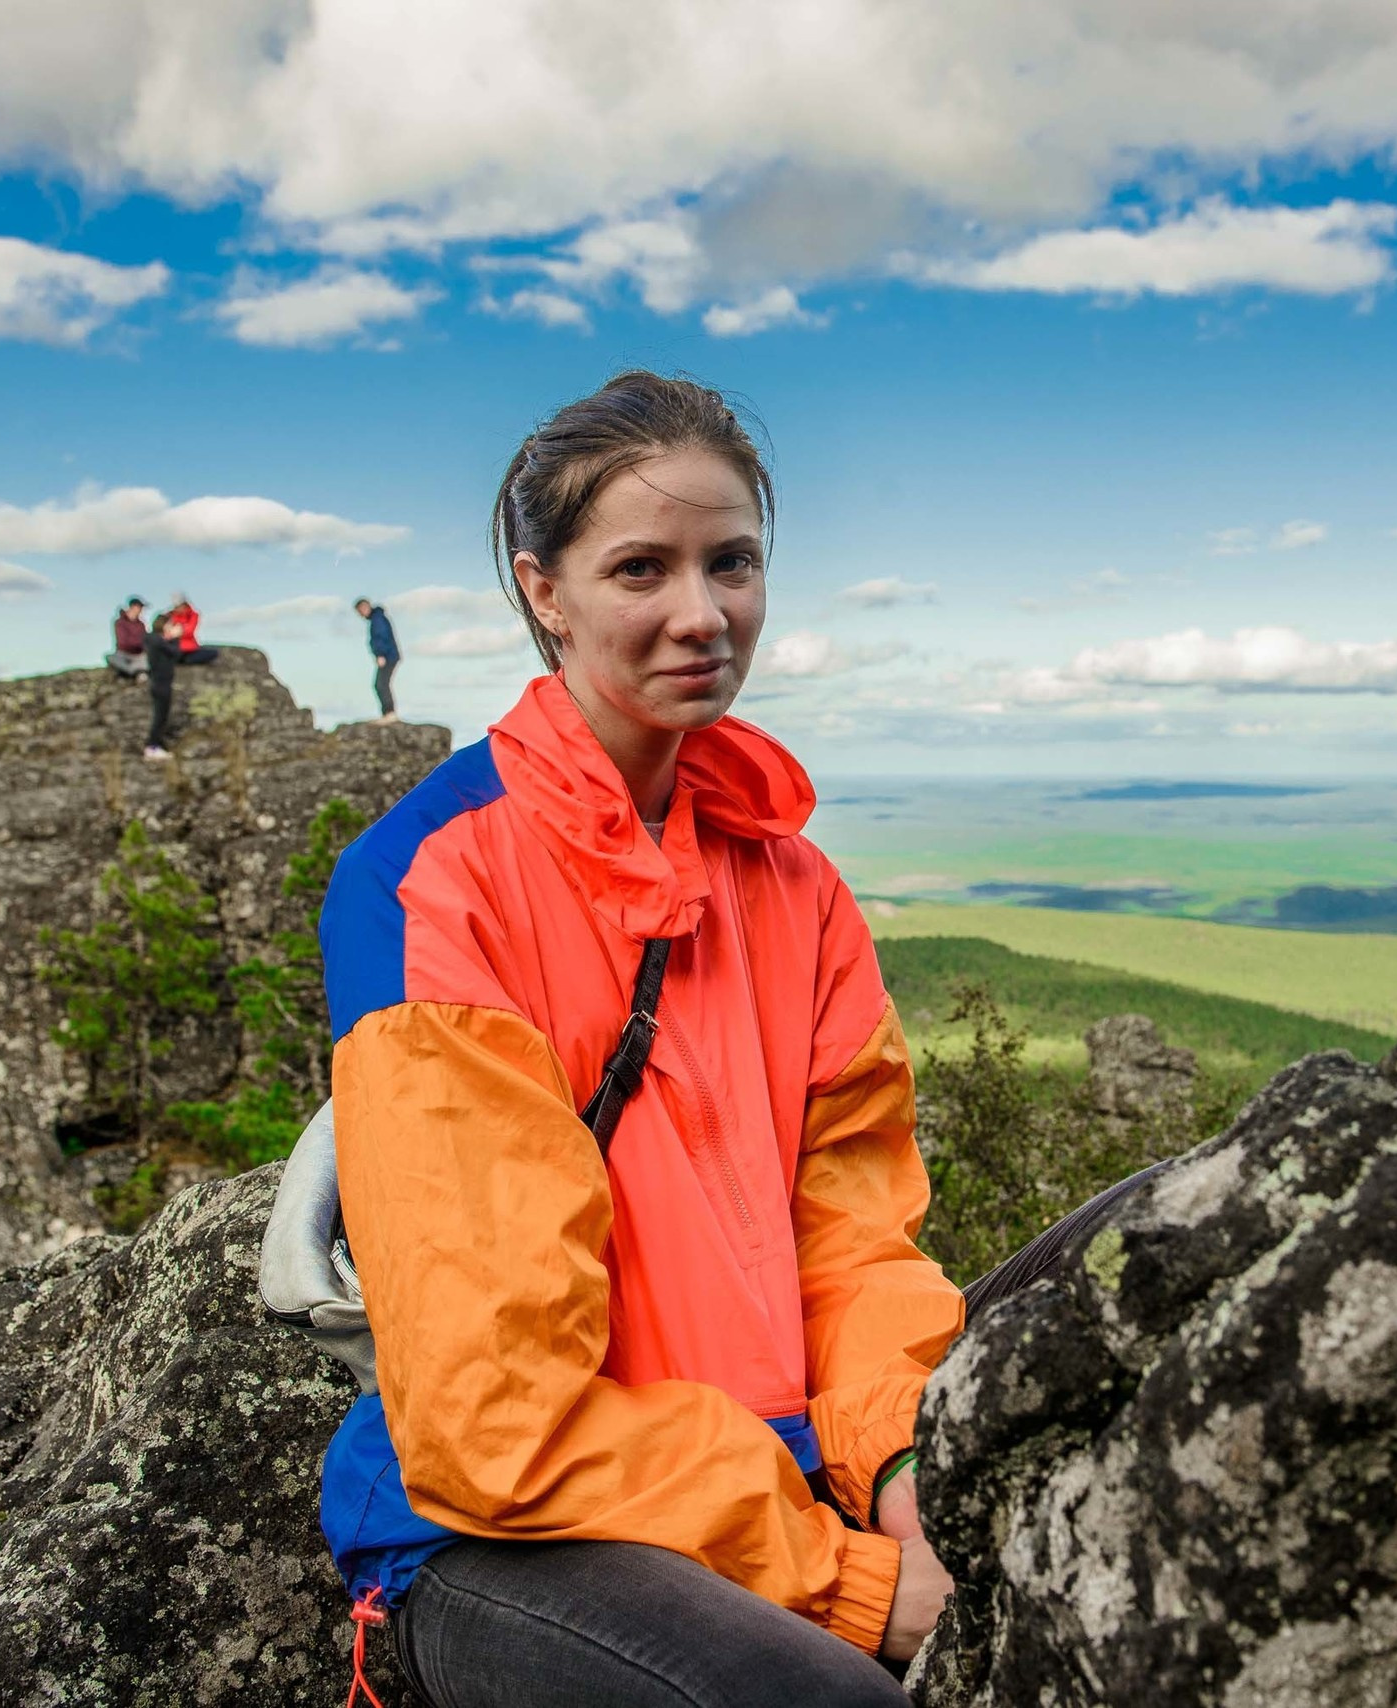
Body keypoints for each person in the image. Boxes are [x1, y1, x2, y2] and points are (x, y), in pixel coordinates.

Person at [322, 371, 988, 1708]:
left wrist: (907, 1471)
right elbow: (494, 1416)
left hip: (786, 1459)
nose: (703, 614)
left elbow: (851, 1239)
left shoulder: (792, 886)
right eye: (642, 568)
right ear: (544, 592)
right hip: (509, 1533)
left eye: (731, 562)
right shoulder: (435, 884)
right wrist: (854, 1583)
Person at [355, 597, 400, 722]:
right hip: (388, 655)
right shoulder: (376, 618)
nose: (360, 614)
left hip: (388, 656)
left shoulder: (377, 619)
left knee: (381, 684)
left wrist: (381, 654)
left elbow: (381, 636)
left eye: (360, 610)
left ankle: (390, 713)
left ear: (366, 607)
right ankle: (387, 714)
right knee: (381, 684)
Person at [143, 606, 180, 760]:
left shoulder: (159, 642)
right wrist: (175, 637)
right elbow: (172, 651)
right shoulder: (154, 640)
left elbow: (175, 653)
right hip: (159, 684)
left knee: (163, 716)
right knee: (159, 717)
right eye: (170, 625)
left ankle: (156, 745)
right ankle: (152, 747)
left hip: (164, 683)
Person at [160, 595, 221, 666]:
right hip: (175, 648)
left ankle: (184, 660)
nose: (179, 608)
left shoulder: (193, 615)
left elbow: (190, 630)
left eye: (180, 605)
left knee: (213, 653)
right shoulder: (170, 615)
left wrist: (178, 631)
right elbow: (163, 631)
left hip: (189, 648)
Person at [109, 597, 149, 678]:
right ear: (133, 607)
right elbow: (123, 641)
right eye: (139, 607)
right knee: (113, 658)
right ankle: (133, 671)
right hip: (123, 653)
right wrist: (140, 643)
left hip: (138, 655)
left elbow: (145, 639)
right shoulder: (120, 623)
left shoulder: (141, 624)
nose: (141, 610)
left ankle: (134, 672)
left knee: (147, 659)